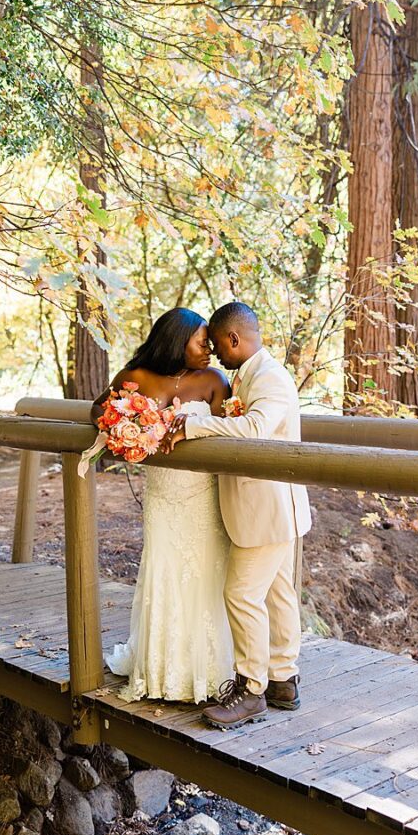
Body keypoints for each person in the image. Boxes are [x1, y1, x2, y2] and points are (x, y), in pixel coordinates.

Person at [167, 301, 314, 729]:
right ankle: (283, 681)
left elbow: (254, 431)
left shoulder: (270, 379)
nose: (213, 351)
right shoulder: (249, 374)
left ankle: (251, 690)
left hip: (266, 506)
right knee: (277, 594)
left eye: (216, 343)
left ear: (234, 338)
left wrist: (196, 427)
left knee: (242, 594)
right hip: (266, 505)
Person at [93, 308, 236, 703]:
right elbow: (99, 413)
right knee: (164, 570)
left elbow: (232, 429)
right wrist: (129, 435)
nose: (209, 349)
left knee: (206, 575)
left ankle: (208, 670)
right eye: (201, 342)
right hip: (162, 495)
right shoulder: (134, 379)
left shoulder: (213, 380)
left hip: (203, 494)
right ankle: (161, 670)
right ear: (177, 340)